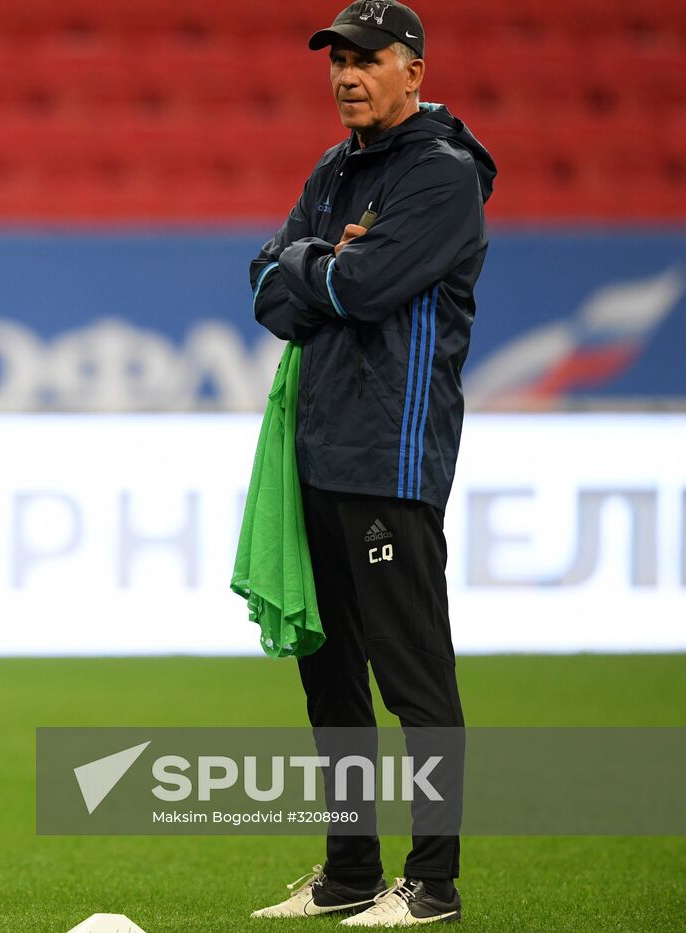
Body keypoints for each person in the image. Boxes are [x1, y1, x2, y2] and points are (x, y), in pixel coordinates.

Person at [246, 1, 495, 926]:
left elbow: (358, 285)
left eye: (369, 59)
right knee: (331, 674)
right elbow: (266, 285)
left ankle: (432, 884)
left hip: (390, 458)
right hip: (318, 451)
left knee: (413, 676)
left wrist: (312, 267)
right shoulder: (334, 169)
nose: (347, 76)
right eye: (338, 62)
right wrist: (317, 265)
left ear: (415, 70)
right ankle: (350, 870)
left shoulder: (442, 178)